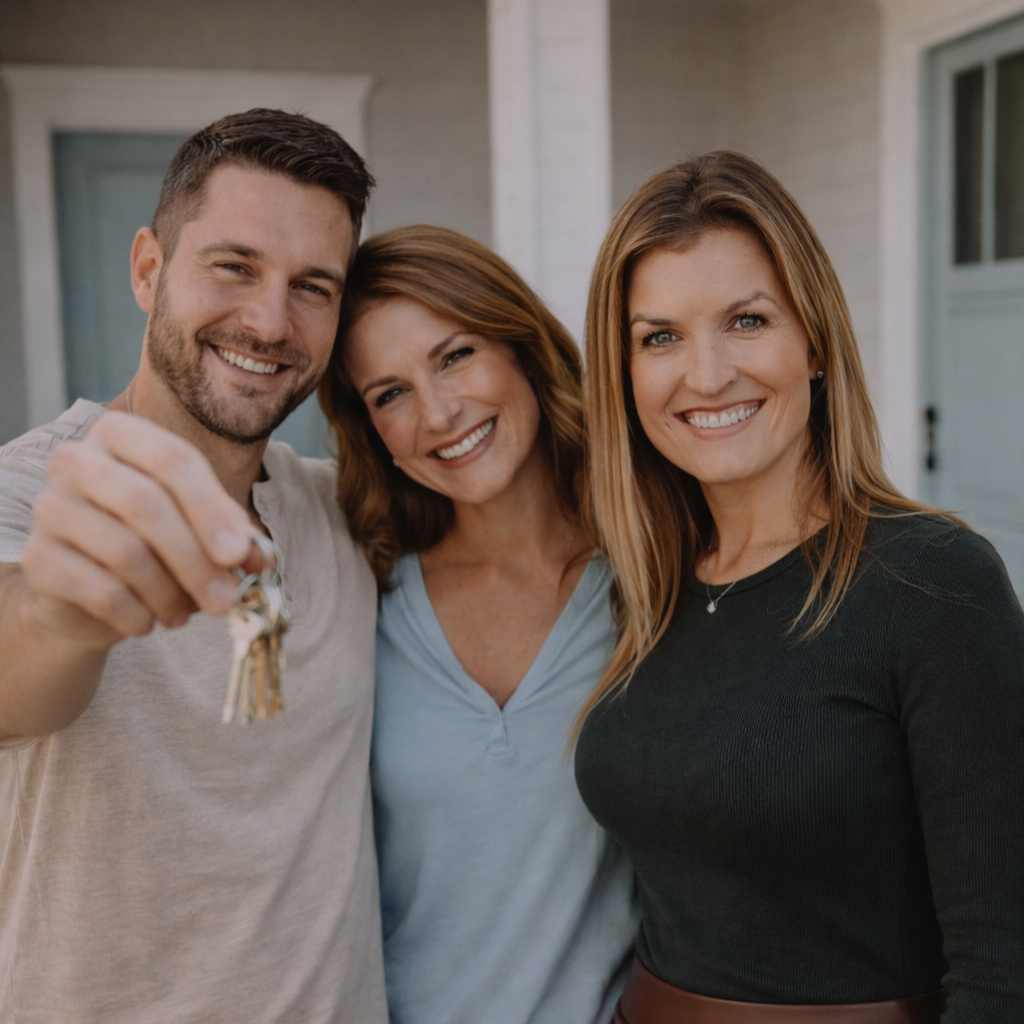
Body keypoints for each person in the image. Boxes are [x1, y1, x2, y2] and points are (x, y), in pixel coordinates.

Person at [574, 151, 1024, 1023]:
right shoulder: (645, 587)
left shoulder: (931, 582)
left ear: (812, 341)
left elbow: (1005, 968)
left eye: (746, 321)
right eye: (658, 336)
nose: (706, 375)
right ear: (625, 377)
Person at [0, 110, 387, 1023]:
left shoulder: (343, 512)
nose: (268, 320)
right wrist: (66, 612)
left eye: (313, 287)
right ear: (149, 268)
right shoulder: (31, 490)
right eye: (234, 266)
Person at [319, 224, 638, 1024]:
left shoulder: (651, 576)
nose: (438, 412)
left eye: (455, 354)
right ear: (372, 432)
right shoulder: (364, 595)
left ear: (522, 346)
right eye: (389, 393)